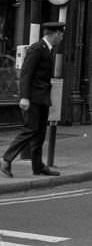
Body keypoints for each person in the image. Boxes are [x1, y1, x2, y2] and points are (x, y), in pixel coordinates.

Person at [1, 22, 65, 178]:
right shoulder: (37, 48)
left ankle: (38, 167)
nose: (62, 38)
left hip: (42, 98)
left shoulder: (47, 49)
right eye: (61, 34)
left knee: (40, 133)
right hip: (34, 98)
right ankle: (6, 159)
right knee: (30, 129)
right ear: (55, 34)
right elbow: (26, 74)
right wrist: (24, 97)